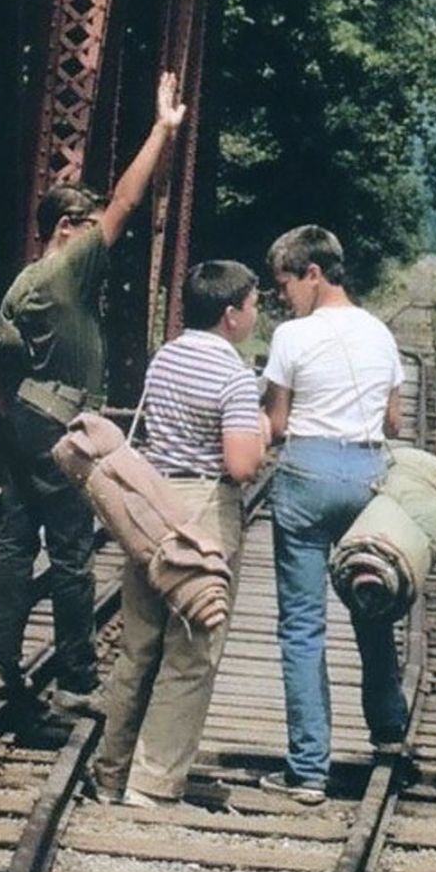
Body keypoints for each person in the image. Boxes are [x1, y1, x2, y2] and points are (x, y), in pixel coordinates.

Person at [0, 72, 185, 716]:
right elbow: (126, 202)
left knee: (16, 541)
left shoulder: (21, 284)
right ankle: (76, 679)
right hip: (61, 423)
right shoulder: (67, 268)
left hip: (23, 421)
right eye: (90, 224)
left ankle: (2, 660)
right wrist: (161, 129)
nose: (103, 234)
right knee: (71, 549)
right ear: (69, 227)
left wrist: (16, 415)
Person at [93, 260, 268, 806]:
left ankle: (110, 773)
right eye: (253, 304)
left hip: (149, 505)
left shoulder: (165, 358)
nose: (257, 312)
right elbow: (241, 467)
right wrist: (260, 432)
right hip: (202, 510)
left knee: (138, 645)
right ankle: (153, 782)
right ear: (230, 314)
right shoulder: (235, 376)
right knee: (191, 651)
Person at [260, 225, 408, 805]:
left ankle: (309, 771)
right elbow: (394, 423)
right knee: (373, 606)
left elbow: (275, 423)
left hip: (306, 476)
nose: (282, 296)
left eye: (286, 283)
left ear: (313, 274)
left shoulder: (292, 337)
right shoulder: (381, 333)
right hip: (367, 477)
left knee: (302, 625)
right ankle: (388, 734)